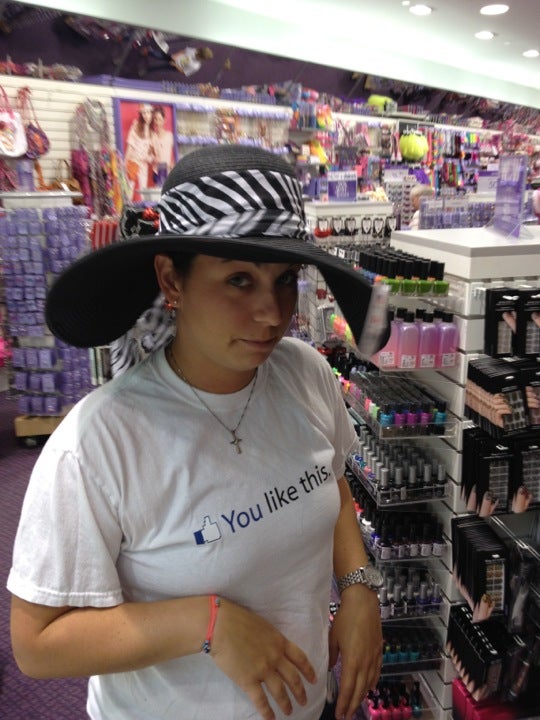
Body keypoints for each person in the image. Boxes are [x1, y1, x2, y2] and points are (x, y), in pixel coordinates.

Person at [8, 145, 387, 720]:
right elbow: (37, 642)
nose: (272, 313)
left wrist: (357, 585)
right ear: (171, 279)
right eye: (238, 280)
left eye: (285, 279)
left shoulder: (305, 373)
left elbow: (327, 480)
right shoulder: (98, 442)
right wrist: (206, 624)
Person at [124, 103, 154, 200]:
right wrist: (125, 163)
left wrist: (149, 158)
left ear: (152, 114)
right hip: (133, 162)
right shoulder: (136, 126)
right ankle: (127, 209)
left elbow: (152, 153)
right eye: (144, 113)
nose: (146, 115)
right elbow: (130, 145)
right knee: (129, 191)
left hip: (144, 165)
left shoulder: (152, 132)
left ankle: (143, 210)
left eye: (148, 112)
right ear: (141, 114)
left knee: (143, 192)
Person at [150, 105, 174, 185]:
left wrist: (173, 163)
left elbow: (175, 153)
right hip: (157, 171)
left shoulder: (170, 136)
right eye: (155, 119)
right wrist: (154, 158)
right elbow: (150, 154)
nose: (157, 122)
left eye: (160, 119)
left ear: (164, 120)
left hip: (169, 172)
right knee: (159, 191)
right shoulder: (152, 136)